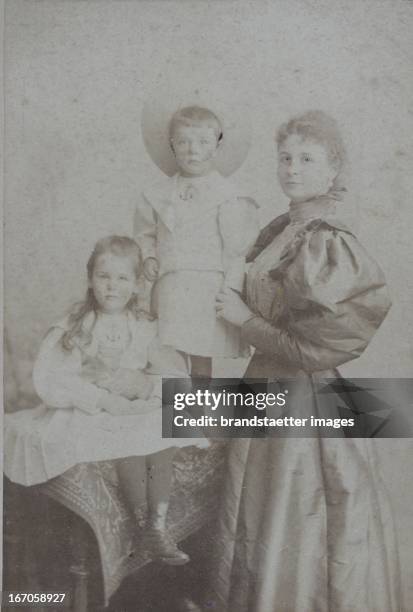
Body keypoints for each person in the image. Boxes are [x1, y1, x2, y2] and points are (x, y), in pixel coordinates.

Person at [210, 111, 400, 611]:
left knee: (297, 523)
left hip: (302, 399)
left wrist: (243, 322)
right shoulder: (282, 227)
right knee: (252, 515)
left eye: (307, 159)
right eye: (285, 157)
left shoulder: (325, 239)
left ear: (333, 170)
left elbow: (312, 350)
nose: (292, 168)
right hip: (264, 390)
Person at [4, 235, 208, 565]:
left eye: (122, 278)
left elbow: (170, 373)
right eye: (104, 276)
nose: (112, 287)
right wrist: (101, 399)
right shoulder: (76, 325)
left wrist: (146, 390)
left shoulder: (143, 327)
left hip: (131, 404)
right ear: (90, 279)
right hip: (89, 408)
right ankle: (143, 525)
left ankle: (157, 526)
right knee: (123, 435)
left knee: (163, 426)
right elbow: (53, 378)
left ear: (138, 284)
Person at [135, 104, 259, 380]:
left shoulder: (228, 196)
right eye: (183, 141)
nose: (192, 150)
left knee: (201, 355)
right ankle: (178, 416)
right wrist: (149, 257)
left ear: (216, 146)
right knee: (171, 354)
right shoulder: (158, 193)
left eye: (203, 142)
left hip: (207, 287)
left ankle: (201, 419)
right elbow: (145, 234)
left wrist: (231, 290)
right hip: (172, 285)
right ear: (172, 145)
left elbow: (236, 250)